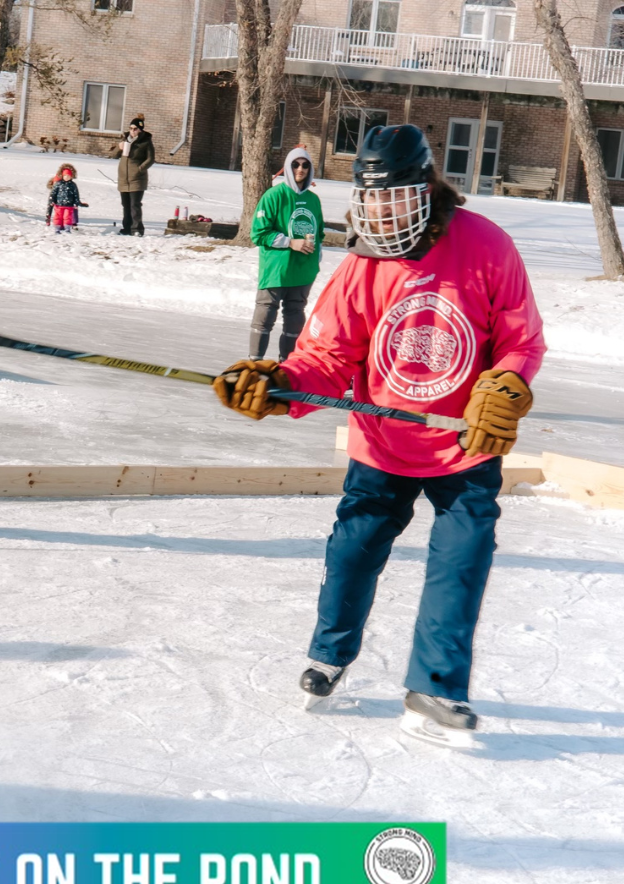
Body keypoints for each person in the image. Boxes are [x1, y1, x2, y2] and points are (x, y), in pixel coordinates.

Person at [214, 125, 544, 746]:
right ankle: (329, 653)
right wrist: (281, 382)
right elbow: (327, 353)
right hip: (383, 442)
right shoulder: (363, 264)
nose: (381, 211)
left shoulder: (485, 246)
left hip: (464, 446)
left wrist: (506, 385)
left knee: (461, 560)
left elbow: (522, 339)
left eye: (393, 197)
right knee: (352, 551)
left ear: (425, 189)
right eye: (370, 200)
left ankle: (436, 687)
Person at [248, 146, 324, 361]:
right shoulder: (274, 195)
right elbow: (259, 234)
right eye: (295, 164)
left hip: (302, 271)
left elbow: (319, 234)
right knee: (266, 313)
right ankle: (255, 363)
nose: (300, 169)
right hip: (277, 269)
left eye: (305, 165)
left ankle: (287, 367)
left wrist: (315, 257)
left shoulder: (313, 200)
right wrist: (291, 242)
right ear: (288, 168)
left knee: (295, 318)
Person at [114, 115, 153, 236]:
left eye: (135, 128)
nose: (132, 131)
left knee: (134, 205)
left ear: (140, 130)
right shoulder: (125, 140)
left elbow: (150, 159)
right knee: (125, 205)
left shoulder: (145, 142)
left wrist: (140, 169)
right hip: (123, 178)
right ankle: (127, 228)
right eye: (131, 128)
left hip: (137, 179)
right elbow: (114, 155)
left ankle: (137, 229)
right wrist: (119, 148)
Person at [45, 163, 87, 234]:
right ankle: (58, 227)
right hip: (59, 204)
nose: (67, 177)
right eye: (65, 176)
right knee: (58, 216)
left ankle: (71, 225)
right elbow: (52, 197)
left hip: (69, 204)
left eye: (68, 176)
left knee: (69, 215)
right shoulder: (58, 183)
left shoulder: (72, 185)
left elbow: (76, 195)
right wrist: (48, 217)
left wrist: (76, 203)